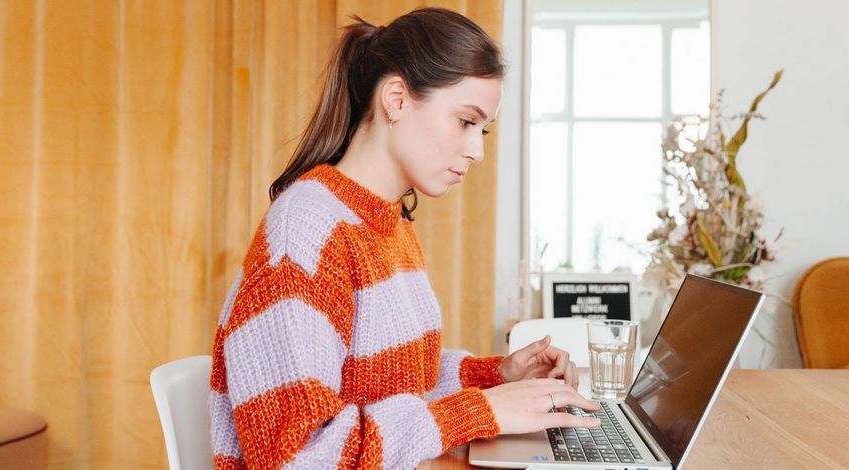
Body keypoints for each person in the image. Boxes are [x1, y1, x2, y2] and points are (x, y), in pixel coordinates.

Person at [209, 7, 600, 469]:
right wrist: (481, 410)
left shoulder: (389, 225)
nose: (476, 151)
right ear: (395, 99)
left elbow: (400, 387)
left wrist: (498, 377)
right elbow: (295, 456)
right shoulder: (307, 230)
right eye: (464, 121)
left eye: (484, 130)